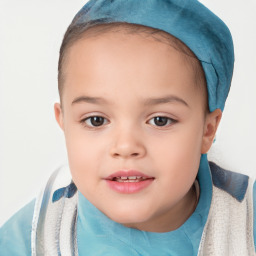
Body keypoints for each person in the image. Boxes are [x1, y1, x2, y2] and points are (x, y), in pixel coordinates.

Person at [0, 0, 255, 255]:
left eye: (160, 120)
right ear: (64, 122)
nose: (126, 146)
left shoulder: (246, 226)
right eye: (96, 120)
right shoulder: (33, 238)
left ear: (207, 130)